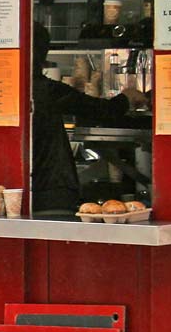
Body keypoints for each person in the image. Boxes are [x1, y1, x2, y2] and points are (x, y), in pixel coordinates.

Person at [31, 25, 149, 217]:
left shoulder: (1, 90)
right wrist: (126, 98)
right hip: (53, 191)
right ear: (42, 54)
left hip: (16, 193)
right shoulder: (48, 90)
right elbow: (101, 110)